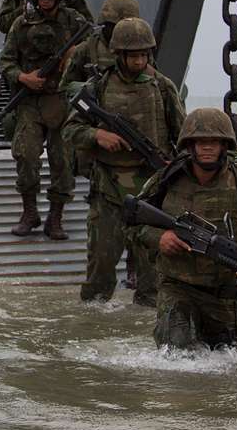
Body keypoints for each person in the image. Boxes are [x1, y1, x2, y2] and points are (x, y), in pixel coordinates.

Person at [62, 18, 185, 306]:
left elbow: (182, 137)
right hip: (108, 190)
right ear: (119, 54)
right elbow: (69, 130)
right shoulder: (99, 87)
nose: (140, 61)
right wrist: (98, 134)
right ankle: (91, 331)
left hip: (151, 195)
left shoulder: (163, 87)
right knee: (99, 279)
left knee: (151, 282)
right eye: (134, 55)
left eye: (144, 55)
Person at [135, 108, 237, 351]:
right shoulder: (167, 179)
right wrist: (160, 237)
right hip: (176, 285)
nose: (207, 147)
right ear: (190, 145)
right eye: (201, 141)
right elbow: (132, 223)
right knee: (176, 351)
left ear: (224, 145)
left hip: (224, 293)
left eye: (214, 141)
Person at [0, 0, 87, 240]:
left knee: (62, 161)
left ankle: (56, 217)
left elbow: (93, 51)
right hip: (31, 101)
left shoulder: (74, 22)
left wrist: (73, 56)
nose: (45, 1)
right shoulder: (21, 24)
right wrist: (23, 78)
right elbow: (6, 61)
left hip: (62, 100)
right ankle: (30, 212)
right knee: (25, 155)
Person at [61, 0, 142, 97]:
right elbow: (65, 88)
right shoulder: (86, 49)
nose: (118, 32)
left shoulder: (140, 50)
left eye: (123, 28)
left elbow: (154, 83)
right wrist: (89, 88)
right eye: (114, 26)